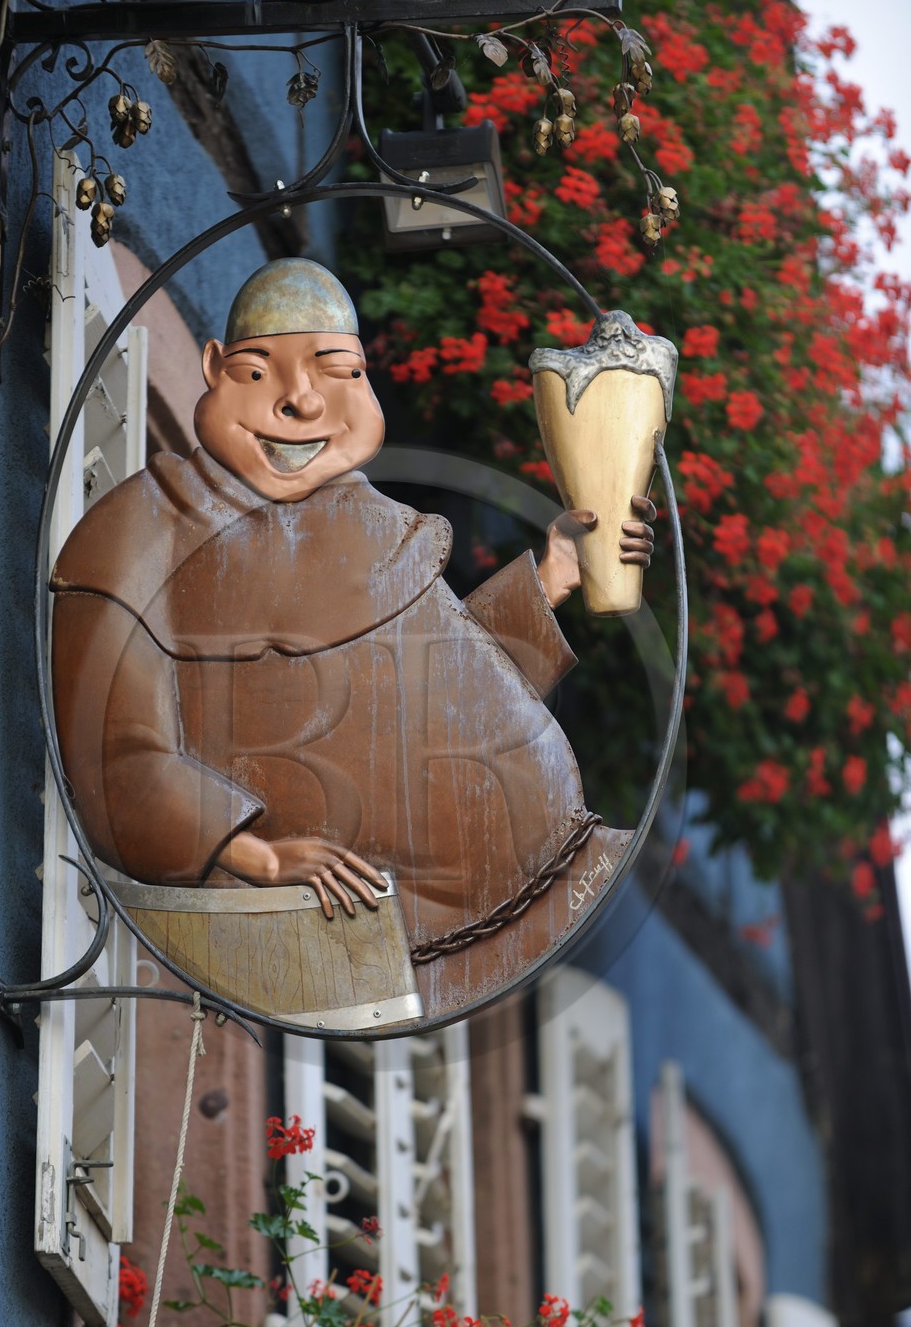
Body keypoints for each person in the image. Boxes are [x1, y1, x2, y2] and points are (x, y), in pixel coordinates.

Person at [51, 260, 654, 1018]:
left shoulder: (355, 514)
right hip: (370, 929)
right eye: (258, 370)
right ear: (212, 369)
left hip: (532, 887)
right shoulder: (139, 534)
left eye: (337, 371)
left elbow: (437, 669)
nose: (302, 399)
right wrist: (257, 856)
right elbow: (120, 757)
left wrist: (553, 576)